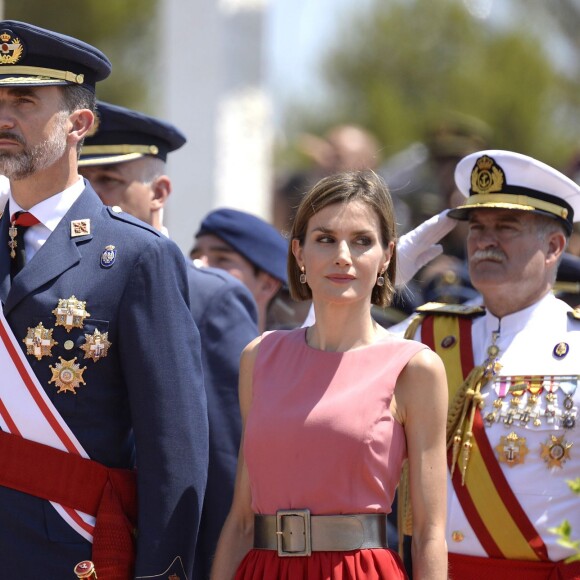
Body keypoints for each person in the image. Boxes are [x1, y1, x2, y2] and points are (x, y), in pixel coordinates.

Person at [0, 21, 208, 579]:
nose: (3, 118)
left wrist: (162, 571)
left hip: (74, 550)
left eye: (24, 101)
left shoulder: (136, 256)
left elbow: (175, 449)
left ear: (79, 123)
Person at [211, 170, 449, 579]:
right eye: (325, 239)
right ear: (299, 254)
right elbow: (242, 519)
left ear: (386, 256)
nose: (343, 255)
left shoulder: (415, 367)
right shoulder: (260, 357)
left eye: (362, 241)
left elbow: (429, 532)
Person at [78, 101, 259, 579]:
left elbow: (222, 464)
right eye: (83, 180)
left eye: (110, 181)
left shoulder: (209, 299)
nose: (91, 196)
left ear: (159, 192)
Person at [404, 150, 580, 579]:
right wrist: (386, 270)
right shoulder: (425, 334)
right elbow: (321, 354)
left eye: (506, 227)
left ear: (554, 245)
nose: (485, 240)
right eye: (477, 228)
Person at [191, 208, 290, 332]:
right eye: (194, 257)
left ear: (267, 285)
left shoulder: (289, 350)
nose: (198, 265)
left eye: (222, 259)